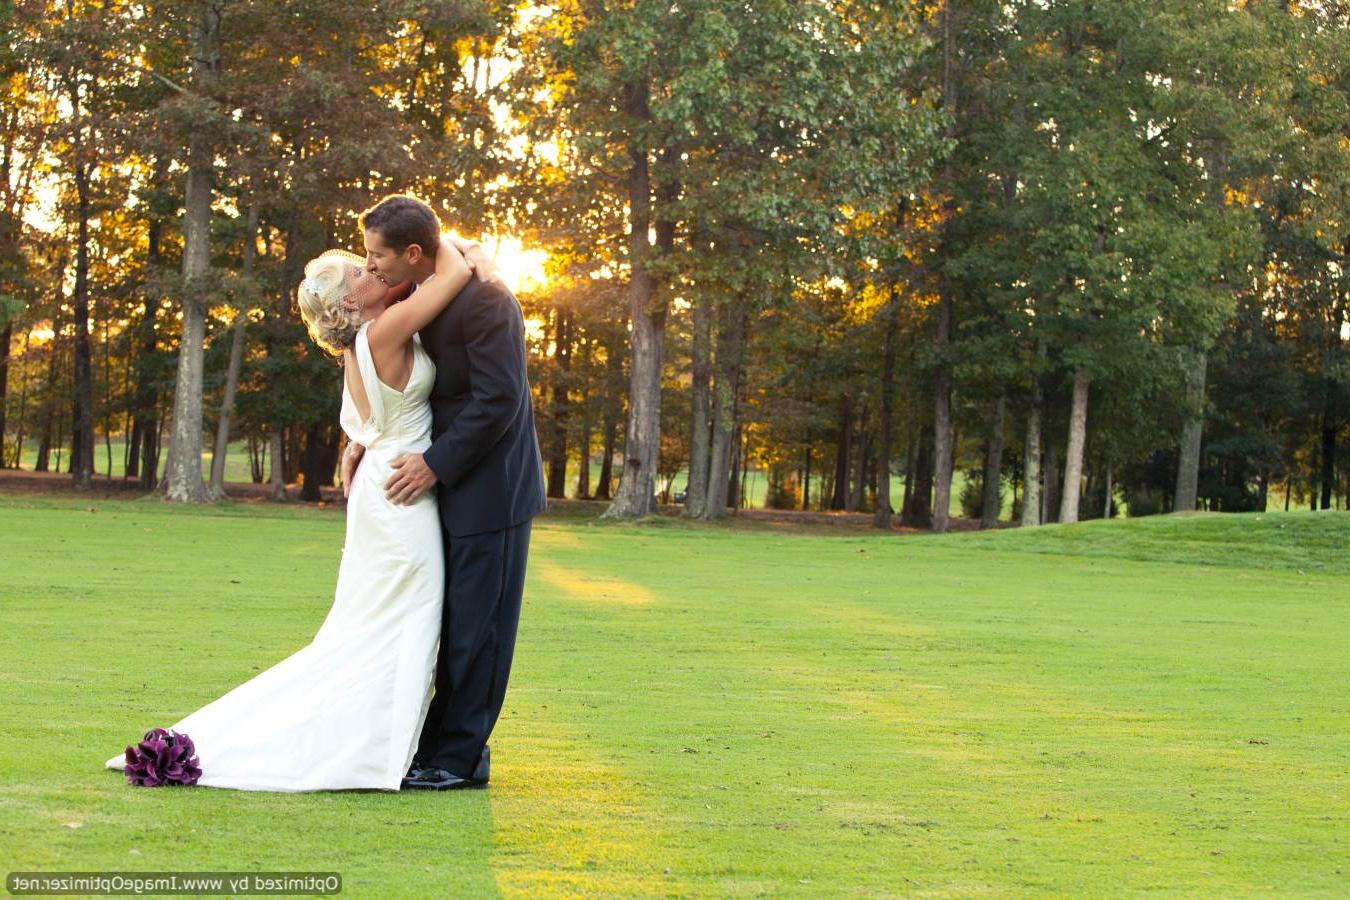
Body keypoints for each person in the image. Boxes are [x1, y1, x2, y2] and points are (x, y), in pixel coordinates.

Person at [104, 236, 478, 791]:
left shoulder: (364, 341)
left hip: (382, 486)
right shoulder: (386, 330)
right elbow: (453, 276)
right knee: (403, 619)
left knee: (374, 623)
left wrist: (355, 445)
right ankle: (374, 749)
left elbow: (362, 420)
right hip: (401, 500)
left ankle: (385, 742)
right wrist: (432, 237)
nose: (372, 266)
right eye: (360, 269)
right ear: (350, 304)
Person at [350, 194, 547, 790]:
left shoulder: (487, 300)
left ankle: (457, 758)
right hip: (445, 487)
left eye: (377, 255)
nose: (372, 265)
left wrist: (435, 464)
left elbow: (499, 400)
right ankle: (440, 746)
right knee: (453, 624)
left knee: (479, 631)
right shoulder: (419, 294)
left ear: (412, 253)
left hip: (493, 490)